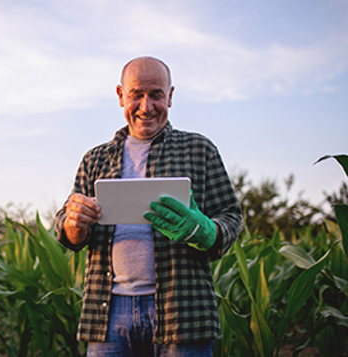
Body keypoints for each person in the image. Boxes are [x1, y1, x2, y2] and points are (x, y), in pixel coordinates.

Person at [54, 56, 243, 357]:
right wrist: (73, 224)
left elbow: (232, 218)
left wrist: (204, 230)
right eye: (136, 95)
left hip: (182, 312)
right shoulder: (95, 159)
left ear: (170, 96)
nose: (146, 106)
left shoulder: (200, 150)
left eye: (156, 95)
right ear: (120, 96)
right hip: (108, 314)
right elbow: (68, 233)